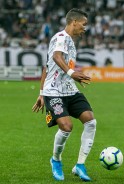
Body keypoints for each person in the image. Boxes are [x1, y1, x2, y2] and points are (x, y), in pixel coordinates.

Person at [32, 8, 96, 182]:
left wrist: (39, 93)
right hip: (54, 93)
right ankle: (56, 160)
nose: (85, 28)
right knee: (66, 127)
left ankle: (80, 165)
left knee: (90, 121)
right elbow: (56, 57)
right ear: (74, 22)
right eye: (84, 24)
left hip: (70, 90)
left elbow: (46, 67)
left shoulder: (71, 42)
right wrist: (72, 73)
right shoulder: (61, 38)